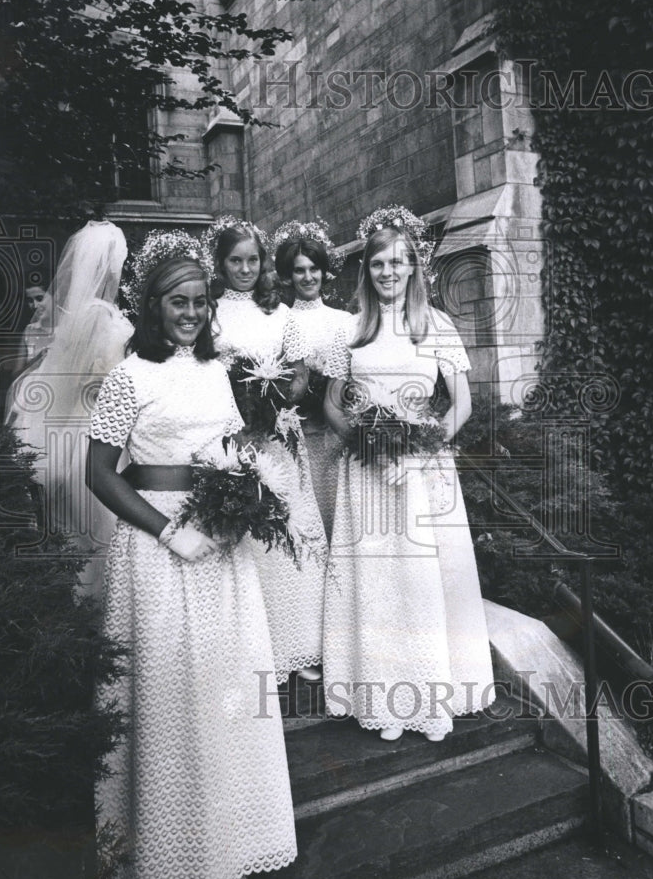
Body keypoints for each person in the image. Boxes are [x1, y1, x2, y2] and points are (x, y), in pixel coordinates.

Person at [86, 251, 297, 879]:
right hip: (158, 549)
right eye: (179, 302)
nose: (191, 313)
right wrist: (168, 529)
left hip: (222, 549)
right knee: (170, 699)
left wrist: (243, 504)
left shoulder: (214, 370)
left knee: (224, 697)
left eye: (200, 302)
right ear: (153, 307)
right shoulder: (129, 377)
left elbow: (234, 452)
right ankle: (167, 863)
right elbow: (98, 473)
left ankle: (227, 851)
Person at [322, 206, 495, 742]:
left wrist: (419, 450)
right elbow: (331, 404)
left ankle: (430, 698)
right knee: (379, 583)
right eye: (378, 264)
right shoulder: (351, 330)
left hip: (423, 474)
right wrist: (365, 441)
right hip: (368, 475)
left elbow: (461, 404)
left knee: (422, 582)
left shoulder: (436, 325)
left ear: (415, 266)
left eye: (398, 262)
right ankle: (382, 697)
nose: (388, 272)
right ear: (366, 271)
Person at [208, 219, 328, 683]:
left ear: (263, 264)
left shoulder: (281, 315)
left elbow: (299, 376)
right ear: (220, 264)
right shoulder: (212, 313)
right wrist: (237, 415)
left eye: (252, 260)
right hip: (230, 441)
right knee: (248, 540)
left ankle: (302, 645)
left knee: (289, 532)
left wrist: (271, 404)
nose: (244, 268)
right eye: (235, 260)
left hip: (276, 437)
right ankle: (254, 650)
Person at [5, 219, 133, 562]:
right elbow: (94, 378)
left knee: (83, 530)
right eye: (118, 263)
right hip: (95, 427)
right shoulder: (98, 315)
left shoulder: (83, 314)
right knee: (102, 527)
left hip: (82, 425)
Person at [274, 221, 350, 540]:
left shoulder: (343, 321)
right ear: (289, 276)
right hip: (298, 432)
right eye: (299, 270)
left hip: (337, 434)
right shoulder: (280, 320)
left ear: (324, 272)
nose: (308, 277)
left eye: (314, 269)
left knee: (338, 516)